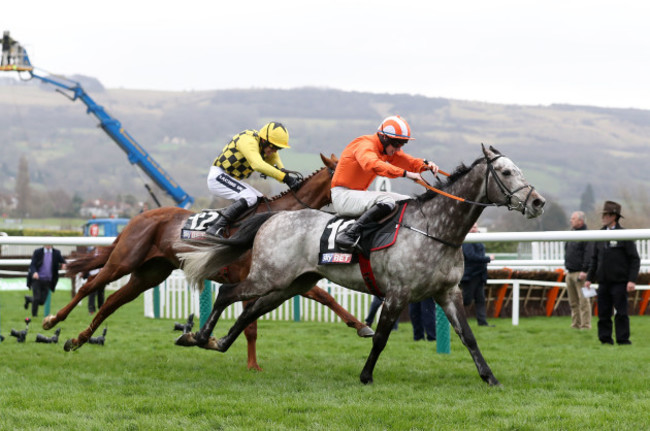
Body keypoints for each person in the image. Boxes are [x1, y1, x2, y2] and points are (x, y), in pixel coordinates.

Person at [331, 115, 439, 250]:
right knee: (387, 201)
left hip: (358, 195)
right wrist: (406, 174)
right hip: (342, 196)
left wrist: (425, 165)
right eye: (397, 144)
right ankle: (349, 234)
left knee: (409, 202)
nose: (399, 149)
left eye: (402, 144)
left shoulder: (386, 148)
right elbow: (372, 164)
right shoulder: (365, 145)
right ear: (384, 137)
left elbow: (407, 161)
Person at [206, 121, 300, 237]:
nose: (275, 151)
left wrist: (288, 177)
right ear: (265, 141)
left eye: (279, 148)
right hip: (218, 176)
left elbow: (279, 167)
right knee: (250, 197)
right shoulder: (248, 140)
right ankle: (215, 228)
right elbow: (258, 165)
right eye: (274, 147)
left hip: (231, 179)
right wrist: (285, 178)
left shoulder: (266, 146)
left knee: (260, 199)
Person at [585, 201, 640, 345]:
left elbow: (634, 259)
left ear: (614, 216)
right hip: (603, 282)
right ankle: (605, 340)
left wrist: (632, 280)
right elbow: (594, 259)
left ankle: (623, 340)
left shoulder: (624, 235)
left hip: (620, 282)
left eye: (606, 214)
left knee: (621, 313)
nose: (603, 217)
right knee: (603, 313)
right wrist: (589, 278)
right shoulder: (600, 235)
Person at [460, 223, 495, 327]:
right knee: (466, 300)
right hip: (470, 275)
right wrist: (488, 259)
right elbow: (471, 256)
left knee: (480, 300)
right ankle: (453, 320)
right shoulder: (467, 239)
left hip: (479, 274)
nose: (474, 229)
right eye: (472, 227)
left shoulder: (478, 238)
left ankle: (482, 323)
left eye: (475, 227)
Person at [564, 211, 593, 330]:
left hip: (581, 274)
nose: (571, 220)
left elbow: (589, 254)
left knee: (584, 301)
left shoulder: (587, 236)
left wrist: (584, 271)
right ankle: (575, 325)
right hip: (570, 273)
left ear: (580, 221)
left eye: (573, 219)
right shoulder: (571, 234)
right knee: (573, 302)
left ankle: (586, 325)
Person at [25, 245, 66, 317]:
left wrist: (64, 264)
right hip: (37, 279)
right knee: (37, 298)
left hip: (48, 281)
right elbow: (32, 265)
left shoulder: (56, 253)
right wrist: (34, 272)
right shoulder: (38, 252)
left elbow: (63, 261)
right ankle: (34, 316)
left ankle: (29, 299)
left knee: (41, 301)